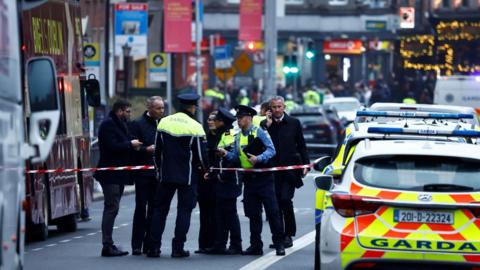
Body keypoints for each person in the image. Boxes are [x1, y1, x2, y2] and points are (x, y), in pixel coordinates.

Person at [217, 105, 286, 256]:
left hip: (264, 178)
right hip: (249, 179)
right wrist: (225, 154)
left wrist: (258, 158)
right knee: (253, 214)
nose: (238, 121)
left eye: (240, 118)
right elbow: (236, 156)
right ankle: (256, 245)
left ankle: (279, 244)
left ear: (249, 118)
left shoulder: (259, 132)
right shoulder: (237, 136)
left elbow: (271, 150)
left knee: (272, 212)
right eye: (237, 118)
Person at [148, 93, 208, 258]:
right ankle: (177, 248)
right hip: (187, 177)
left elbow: (157, 151)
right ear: (193, 107)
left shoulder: (164, 122)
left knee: (159, 210)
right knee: (184, 211)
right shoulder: (195, 126)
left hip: (166, 175)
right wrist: (206, 170)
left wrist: (159, 171)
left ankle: (153, 248)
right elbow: (201, 156)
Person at [94, 99, 142, 257]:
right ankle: (107, 245)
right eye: (127, 111)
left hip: (118, 174)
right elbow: (111, 146)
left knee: (113, 208)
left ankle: (109, 244)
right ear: (119, 111)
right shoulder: (109, 124)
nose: (129, 114)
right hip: (110, 174)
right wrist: (130, 144)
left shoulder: (121, 124)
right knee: (111, 208)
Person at [262, 96, 310, 249]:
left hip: (290, 171)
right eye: (274, 107)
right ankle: (278, 236)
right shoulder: (265, 125)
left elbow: (301, 145)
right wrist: (266, 125)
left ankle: (288, 235)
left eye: (279, 107)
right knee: (274, 205)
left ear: (284, 107)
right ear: (270, 109)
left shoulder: (294, 123)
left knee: (285, 200)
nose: (277, 110)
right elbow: (259, 144)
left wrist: (305, 164)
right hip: (272, 171)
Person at [205, 108, 243, 255]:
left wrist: (223, 175)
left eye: (217, 120)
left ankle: (236, 244)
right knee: (220, 213)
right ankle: (220, 244)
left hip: (230, 179)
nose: (214, 121)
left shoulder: (230, 135)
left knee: (230, 213)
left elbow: (234, 158)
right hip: (222, 179)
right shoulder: (222, 134)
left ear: (222, 122)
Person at [130, 96, 165, 255]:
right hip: (143, 172)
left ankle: (149, 243)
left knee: (154, 208)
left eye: (163, 108)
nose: (161, 111)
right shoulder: (138, 124)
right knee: (140, 208)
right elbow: (132, 146)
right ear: (149, 108)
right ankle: (136, 244)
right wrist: (146, 149)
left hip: (158, 173)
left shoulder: (163, 123)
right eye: (158, 108)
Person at [195, 111, 219, 254]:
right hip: (203, 180)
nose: (210, 122)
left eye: (213, 119)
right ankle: (203, 244)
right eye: (209, 119)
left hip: (216, 179)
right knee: (204, 212)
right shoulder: (204, 136)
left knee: (216, 213)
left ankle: (216, 243)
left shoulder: (223, 136)